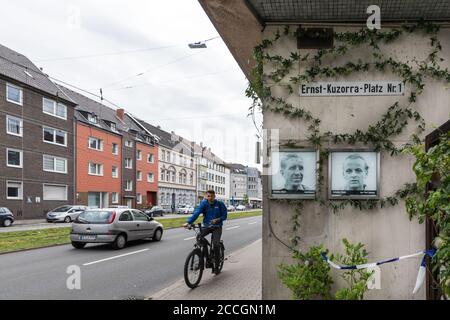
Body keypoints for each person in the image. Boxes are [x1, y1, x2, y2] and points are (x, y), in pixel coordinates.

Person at [183, 190, 227, 274]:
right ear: (206, 197)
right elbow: (197, 213)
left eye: (211, 196)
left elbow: (225, 215)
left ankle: (216, 266)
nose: (209, 198)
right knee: (199, 237)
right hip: (207, 226)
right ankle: (207, 258)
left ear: (214, 196)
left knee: (216, 244)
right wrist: (189, 222)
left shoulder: (220, 204)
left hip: (217, 227)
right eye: (208, 196)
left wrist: (217, 220)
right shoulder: (204, 204)